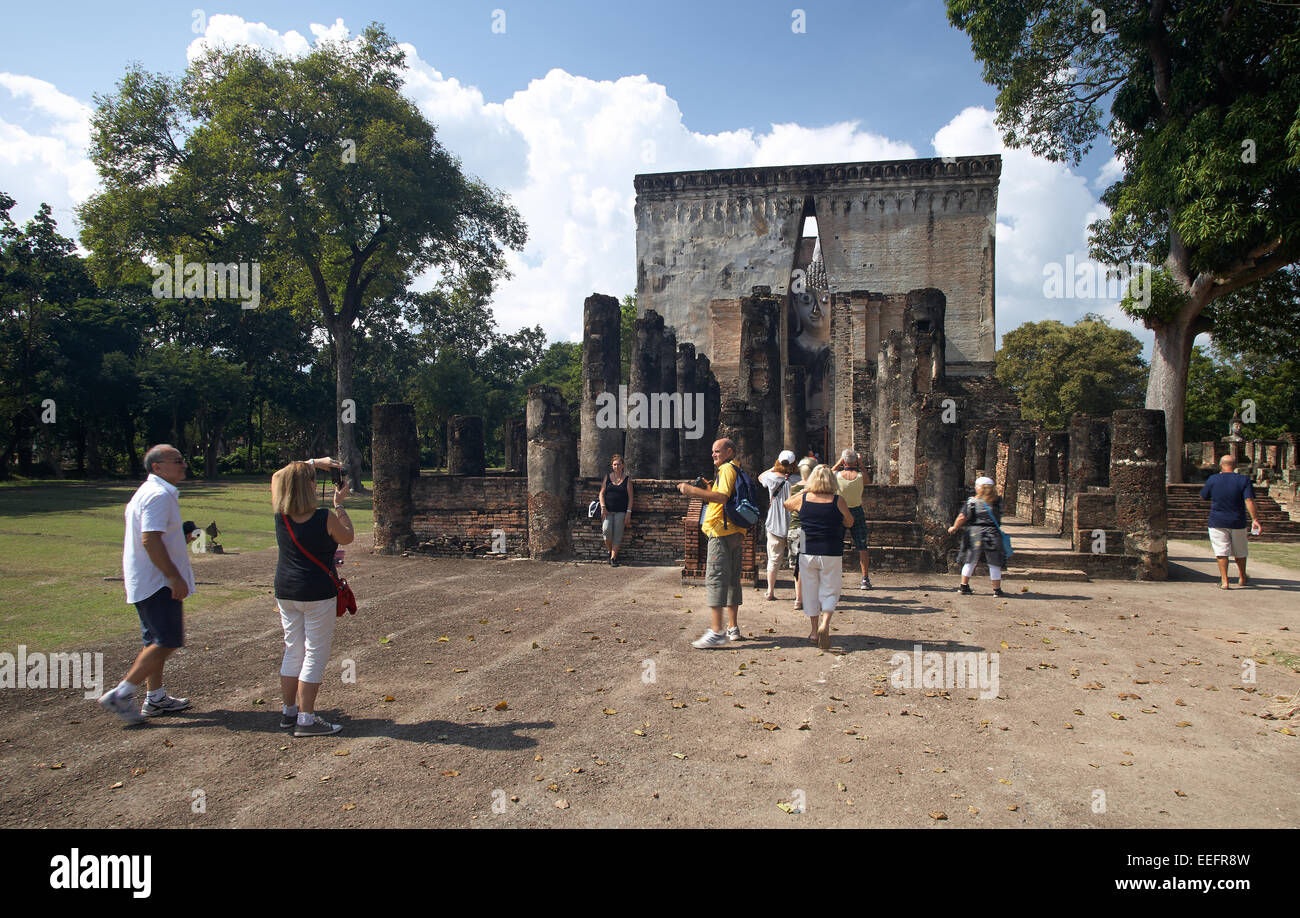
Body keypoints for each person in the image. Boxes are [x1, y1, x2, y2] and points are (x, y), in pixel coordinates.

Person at [99, 444, 197, 723]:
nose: (183, 465)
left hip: (146, 579)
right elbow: (149, 539)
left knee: (154, 641)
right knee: (167, 641)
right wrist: (173, 576)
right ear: (157, 467)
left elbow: (156, 536)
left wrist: (181, 539)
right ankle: (121, 693)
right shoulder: (157, 495)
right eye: (177, 461)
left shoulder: (152, 493)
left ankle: (155, 698)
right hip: (156, 582)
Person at [272, 457, 354, 737]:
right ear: (308, 487)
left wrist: (311, 462)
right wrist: (339, 504)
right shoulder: (324, 517)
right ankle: (306, 719)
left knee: (293, 649)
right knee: (315, 654)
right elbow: (347, 537)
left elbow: (276, 477)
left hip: (286, 590)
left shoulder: (280, 515)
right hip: (316, 591)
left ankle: (289, 711)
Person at [678, 438, 746, 648]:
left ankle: (717, 631)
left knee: (715, 578)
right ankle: (732, 627)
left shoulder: (726, 469)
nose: (714, 454)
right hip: (735, 531)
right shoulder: (736, 469)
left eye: (718, 451)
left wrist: (692, 491)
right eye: (713, 451)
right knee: (733, 579)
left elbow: (722, 497)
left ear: (729, 451)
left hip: (720, 532)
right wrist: (708, 487)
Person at [784, 464, 854, 650]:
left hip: (807, 549)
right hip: (831, 548)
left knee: (810, 592)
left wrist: (806, 489)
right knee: (830, 590)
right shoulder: (838, 501)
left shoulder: (804, 498)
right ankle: (825, 623)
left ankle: (814, 631)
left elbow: (787, 504)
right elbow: (849, 521)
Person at [1200, 454, 1263, 589]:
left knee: (1221, 550)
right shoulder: (1243, 480)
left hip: (1217, 520)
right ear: (1235, 466)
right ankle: (1242, 577)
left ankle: (1225, 581)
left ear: (1221, 465)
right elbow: (1249, 500)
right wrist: (1255, 519)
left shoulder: (1213, 479)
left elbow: (1204, 496)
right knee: (1240, 551)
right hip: (1237, 520)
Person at [949, 476, 1008, 596]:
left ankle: (964, 586)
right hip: (992, 533)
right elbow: (1001, 512)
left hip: (974, 533)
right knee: (994, 562)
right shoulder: (997, 502)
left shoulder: (972, 502)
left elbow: (962, 517)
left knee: (970, 560)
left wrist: (955, 527)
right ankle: (997, 590)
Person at [758, 450, 801, 600]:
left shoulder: (771, 478)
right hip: (795, 525)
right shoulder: (800, 480)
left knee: (773, 560)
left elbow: (760, 477)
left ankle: (770, 591)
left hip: (775, 524)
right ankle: (798, 598)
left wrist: (773, 468)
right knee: (798, 563)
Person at [832, 448, 871, 589]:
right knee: (862, 546)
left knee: (836, 545)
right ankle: (865, 578)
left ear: (844, 461)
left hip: (839, 511)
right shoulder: (860, 476)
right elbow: (868, 481)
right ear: (855, 461)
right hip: (856, 510)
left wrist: (839, 463)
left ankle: (834, 577)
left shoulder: (836, 475)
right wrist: (860, 464)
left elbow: (827, 474)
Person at [788, 456, 818, 611]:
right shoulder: (817, 489)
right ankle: (807, 598)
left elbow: (789, 505)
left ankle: (798, 599)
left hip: (795, 529)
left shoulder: (795, 487)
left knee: (797, 567)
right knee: (808, 566)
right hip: (809, 529)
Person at [598, 454, 634, 566]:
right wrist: (603, 507)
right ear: (612, 466)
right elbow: (601, 493)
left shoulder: (627, 480)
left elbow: (631, 498)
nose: (616, 466)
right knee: (606, 531)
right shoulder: (607, 477)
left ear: (622, 465)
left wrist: (628, 513)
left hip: (621, 511)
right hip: (607, 510)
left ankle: (613, 558)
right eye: (614, 464)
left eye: (618, 464)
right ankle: (610, 551)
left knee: (618, 534)